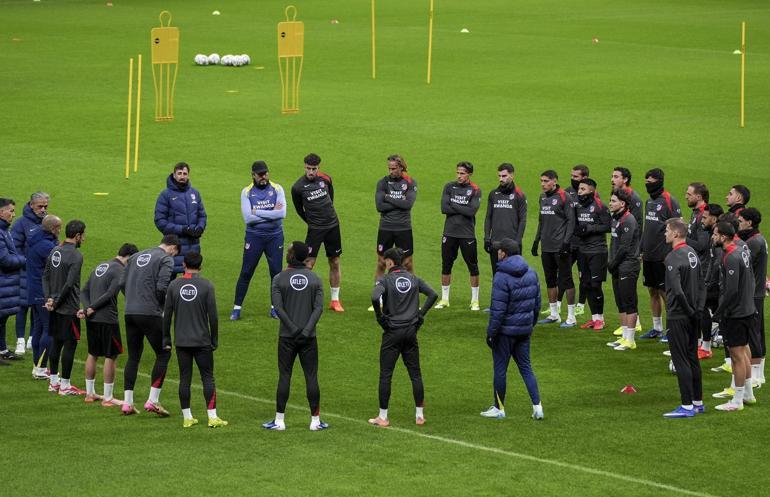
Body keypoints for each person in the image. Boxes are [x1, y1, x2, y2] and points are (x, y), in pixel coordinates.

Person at [262, 241, 327, 431]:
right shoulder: (315, 279)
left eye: (289, 250)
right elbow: (318, 308)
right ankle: (315, 421)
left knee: (285, 376)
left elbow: (278, 308)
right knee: (311, 376)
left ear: (292, 256)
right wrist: (306, 331)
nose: (287, 252)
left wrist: (293, 329)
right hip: (309, 337)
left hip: (287, 336)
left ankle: (279, 421)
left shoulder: (279, 278)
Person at [368, 247, 437, 427]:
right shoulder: (414, 278)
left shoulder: (385, 279)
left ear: (390, 262)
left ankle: (383, 417)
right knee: (415, 374)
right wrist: (420, 315)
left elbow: (375, 297)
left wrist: (379, 317)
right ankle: (419, 416)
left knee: (386, 374)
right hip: (410, 331)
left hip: (392, 332)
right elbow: (433, 294)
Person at [480, 238, 543, 420]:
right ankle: (538, 407)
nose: (497, 253)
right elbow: (537, 305)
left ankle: (499, 408)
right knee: (526, 368)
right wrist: (530, 324)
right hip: (524, 330)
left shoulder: (501, 276)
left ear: (504, 254)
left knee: (500, 369)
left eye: (499, 250)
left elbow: (498, 310)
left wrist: (491, 333)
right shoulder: (532, 273)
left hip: (505, 333)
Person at [162, 252, 226, 428]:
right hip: (202, 340)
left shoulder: (174, 285)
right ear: (201, 266)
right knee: (207, 377)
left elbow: (167, 314)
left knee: (185, 378)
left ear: (183, 264)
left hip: (182, 341)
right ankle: (212, 417)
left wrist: (166, 337)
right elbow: (213, 316)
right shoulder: (207, 285)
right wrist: (214, 338)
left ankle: (187, 418)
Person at [120, 234, 180, 416]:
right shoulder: (166, 259)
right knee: (164, 353)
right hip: (150, 313)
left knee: (133, 356)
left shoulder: (136, 256)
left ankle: (127, 403)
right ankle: (153, 400)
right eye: (175, 253)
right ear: (173, 248)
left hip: (130, 312)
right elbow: (162, 287)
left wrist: (132, 299)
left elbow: (122, 282)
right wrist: (161, 307)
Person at [79, 243, 138, 406]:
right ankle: (108, 397)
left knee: (92, 354)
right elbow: (111, 293)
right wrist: (92, 308)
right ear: (129, 257)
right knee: (111, 356)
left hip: (92, 319)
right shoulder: (120, 270)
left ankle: (89, 394)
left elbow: (83, 291)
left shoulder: (101, 266)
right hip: (107, 319)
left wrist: (87, 308)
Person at [231, 161, 287, 320]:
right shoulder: (246, 192)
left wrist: (256, 211)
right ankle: (236, 308)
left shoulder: (277, 189)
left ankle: (275, 308)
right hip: (254, 236)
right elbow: (248, 218)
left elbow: (281, 214)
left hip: (275, 236)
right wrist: (270, 214)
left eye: (265, 174)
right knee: (246, 271)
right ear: (253, 175)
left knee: (276, 273)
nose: (263, 177)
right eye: (260, 174)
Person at [290, 153, 344, 312]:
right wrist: (312, 222)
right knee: (309, 263)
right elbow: (299, 210)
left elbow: (330, 199)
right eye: (308, 168)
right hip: (315, 229)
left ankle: (335, 300)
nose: (311, 172)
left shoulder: (326, 179)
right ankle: (302, 298)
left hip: (333, 226)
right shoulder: (297, 187)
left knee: (335, 261)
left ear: (319, 167)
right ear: (304, 167)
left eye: (314, 169)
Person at [661, 218, 704, 418]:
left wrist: (688, 311)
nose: (665, 233)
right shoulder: (692, 252)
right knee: (692, 358)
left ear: (676, 234)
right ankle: (698, 402)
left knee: (680, 360)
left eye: (667, 230)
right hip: (694, 314)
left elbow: (677, 291)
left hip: (679, 315)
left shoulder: (672, 257)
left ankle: (686, 406)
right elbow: (702, 284)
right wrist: (698, 311)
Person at [712, 221, 757, 411]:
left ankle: (737, 401)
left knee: (737, 355)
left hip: (736, 313)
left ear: (723, 237)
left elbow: (731, 290)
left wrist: (720, 311)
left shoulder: (730, 257)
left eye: (715, 234)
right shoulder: (742, 250)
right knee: (744, 350)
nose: (713, 237)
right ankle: (748, 394)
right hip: (747, 309)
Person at [43, 219, 86, 395]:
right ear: (77, 236)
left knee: (56, 343)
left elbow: (45, 276)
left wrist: (49, 299)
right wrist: (57, 302)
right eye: (83, 235)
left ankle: (54, 382)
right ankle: (65, 386)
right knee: (69, 345)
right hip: (68, 308)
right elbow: (69, 284)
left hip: (54, 306)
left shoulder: (55, 250)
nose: (84, 239)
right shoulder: (76, 255)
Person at [639, 168, 681, 340]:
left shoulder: (670, 201)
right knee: (652, 291)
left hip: (663, 256)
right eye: (646, 182)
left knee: (665, 292)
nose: (648, 185)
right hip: (649, 255)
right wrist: (641, 249)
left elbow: (678, 228)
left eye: (650, 182)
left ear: (659, 181)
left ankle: (671, 330)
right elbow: (647, 227)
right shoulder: (649, 202)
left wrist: (671, 254)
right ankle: (657, 328)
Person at [435, 161, 482, 311]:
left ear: (469, 174)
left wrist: (453, 205)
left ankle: (474, 300)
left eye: (462, 173)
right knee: (446, 264)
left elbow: (471, 211)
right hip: (449, 232)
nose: (459, 176)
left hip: (467, 234)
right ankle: (445, 299)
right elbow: (444, 208)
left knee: (472, 266)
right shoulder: (449, 187)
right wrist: (463, 207)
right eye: (458, 173)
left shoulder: (475, 190)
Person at [532, 170, 575, 325]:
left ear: (554, 181)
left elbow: (571, 221)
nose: (542, 184)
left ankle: (571, 317)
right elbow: (541, 220)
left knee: (566, 280)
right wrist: (536, 240)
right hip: (546, 246)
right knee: (550, 280)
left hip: (560, 247)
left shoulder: (565, 197)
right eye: (541, 181)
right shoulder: (542, 197)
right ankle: (554, 314)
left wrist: (566, 243)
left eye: (546, 181)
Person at [10, 191, 49, 355]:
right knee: (22, 305)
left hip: (41, 273)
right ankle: (20, 340)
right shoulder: (21, 223)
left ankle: (32, 338)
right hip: (24, 271)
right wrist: (26, 262)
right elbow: (14, 247)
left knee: (37, 305)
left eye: (45, 206)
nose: (43, 209)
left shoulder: (47, 222)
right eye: (40, 206)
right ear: (32, 205)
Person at [154, 162, 207, 274]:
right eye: (179, 173)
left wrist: (200, 228)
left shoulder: (195, 194)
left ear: (188, 175)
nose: (182, 176)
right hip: (173, 247)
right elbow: (160, 221)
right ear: (174, 175)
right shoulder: (165, 195)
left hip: (193, 246)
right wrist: (182, 229)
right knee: (167, 280)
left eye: (185, 173)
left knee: (190, 281)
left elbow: (202, 215)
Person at [573, 178, 611, 330]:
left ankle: (601, 319)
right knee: (586, 284)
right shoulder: (577, 206)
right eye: (579, 189)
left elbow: (608, 226)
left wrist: (590, 228)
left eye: (583, 189)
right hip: (583, 251)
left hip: (598, 251)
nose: (579, 192)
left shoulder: (600, 206)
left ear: (591, 190)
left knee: (595, 285)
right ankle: (594, 318)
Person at [606, 189, 640, 351]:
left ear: (622, 203)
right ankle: (625, 337)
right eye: (610, 200)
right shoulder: (616, 218)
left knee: (629, 302)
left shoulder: (628, 220)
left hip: (627, 266)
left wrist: (612, 264)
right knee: (620, 302)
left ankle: (631, 340)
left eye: (613, 201)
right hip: (617, 265)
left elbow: (624, 247)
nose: (610, 203)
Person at [26, 215, 61, 378]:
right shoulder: (46, 246)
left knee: (38, 329)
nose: (60, 230)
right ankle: (41, 368)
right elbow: (56, 267)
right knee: (49, 329)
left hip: (33, 290)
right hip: (43, 292)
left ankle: (37, 366)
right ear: (53, 229)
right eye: (58, 227)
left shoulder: (36, 239)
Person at [373, 154, 417, 281]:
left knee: (407, 263)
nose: (391, 171)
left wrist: (388, 197)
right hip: (386, 227)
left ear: (401, 167)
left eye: (393, 169)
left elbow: (408, 204)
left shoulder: (410, 182)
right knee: (382, 263)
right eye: (389, 169)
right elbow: (380, 206)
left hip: (403, 227)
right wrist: (400, 202)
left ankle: (411, 290)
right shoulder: (383, 182)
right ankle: (378, 292)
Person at [737, 208, 766, 386]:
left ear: (749, 223)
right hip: (757, 292)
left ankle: (755, 375)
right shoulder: (758, 238)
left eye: (740, 221)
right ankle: (759, 373)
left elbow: (743, 266)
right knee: (757, 331)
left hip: (753, 293)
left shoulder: (753, 242)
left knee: (754, 332)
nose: (738, 224)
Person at [684, 183, 712, 360]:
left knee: (702, 308)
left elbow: (702, 245)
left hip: (702, 268)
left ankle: (705, 346)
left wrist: (682, 238)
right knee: (698, 307)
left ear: (699, 197)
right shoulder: (696, 213)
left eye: (689, 194)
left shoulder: (703, 215)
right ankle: (698, 344)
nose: (686, 196)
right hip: (696, 266)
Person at [483, 163, 527, 275]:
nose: (501, 179)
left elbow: (523, 220)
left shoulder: (519, 195)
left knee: (514, 276)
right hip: (495, 243)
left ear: (512, 176)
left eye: (504, 176)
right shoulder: (493, 194)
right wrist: (487, 238)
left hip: (512, 245)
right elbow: (488, 217)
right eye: (499, 176)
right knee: (497, 275)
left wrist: (518, 241)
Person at [0, 198, 26, 364]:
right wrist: (23, 260)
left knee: (2, 318)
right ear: (1, 212)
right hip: (2, 281)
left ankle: (2, 350)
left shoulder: (4, 230)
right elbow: (5, 260)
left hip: (5, 283)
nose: (13, 214)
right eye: (11, 211)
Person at [563, 164, 590, 319]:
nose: (572, 179)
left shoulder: (592, 195)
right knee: (563, 273)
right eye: (572, 176)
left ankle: (581, 305)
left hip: (584, 243)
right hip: (569, 240)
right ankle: (557, 304)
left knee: (583, 275)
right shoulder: (566, 192)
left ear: (584, 178)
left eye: (576, 176)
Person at [702, 204, 725, 364]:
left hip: (719, 284)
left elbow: (717, 263)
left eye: (705, 217)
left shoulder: (719, 238)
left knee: (701, 306)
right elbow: (712, 262)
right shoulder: (714, 236)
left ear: (714, 219)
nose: (702, 220)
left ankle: (706, 346)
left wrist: (710, 283)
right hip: (714, 282)